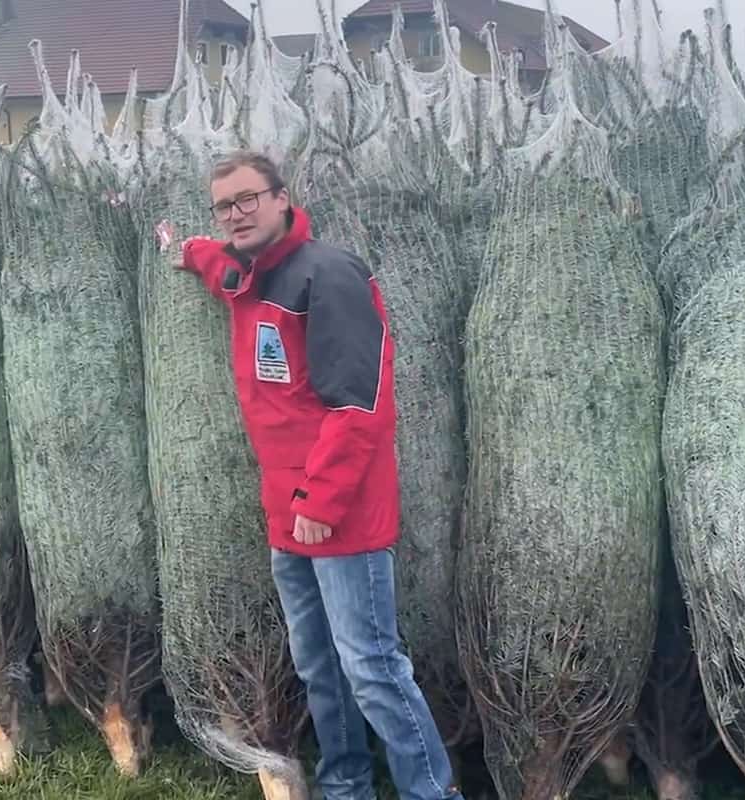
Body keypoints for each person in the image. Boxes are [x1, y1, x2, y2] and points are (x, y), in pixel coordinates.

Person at [170, 150, 463, 800]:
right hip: (286, 512)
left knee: (373, 669)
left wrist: (322, 500)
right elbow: (225, 273)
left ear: (282, 198)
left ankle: (433, 792)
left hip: (341, 513)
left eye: (250, 198)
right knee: (319, 666)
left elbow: (360, 405)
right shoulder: (252, 275)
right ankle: (345, 784)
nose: (238, 213)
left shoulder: (328, 276)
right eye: (225, 206)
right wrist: (187, 249)